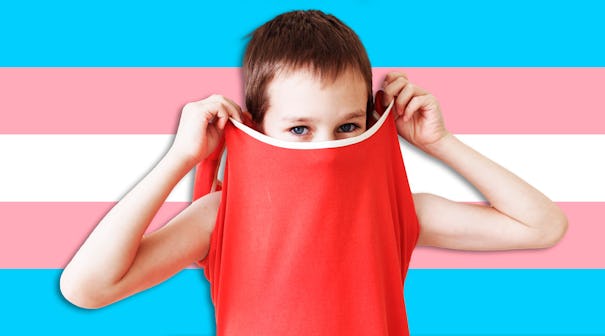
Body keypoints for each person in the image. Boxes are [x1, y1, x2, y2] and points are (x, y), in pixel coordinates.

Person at [60, 8, 568, 333]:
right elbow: (87, 288)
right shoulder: (221, 215)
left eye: (346, 126)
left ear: (371, 119)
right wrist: (180, 158)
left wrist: (440, 143)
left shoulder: (396, 211)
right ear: (256, 125)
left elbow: (542, 226)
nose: (325, 148)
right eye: (299, 129)